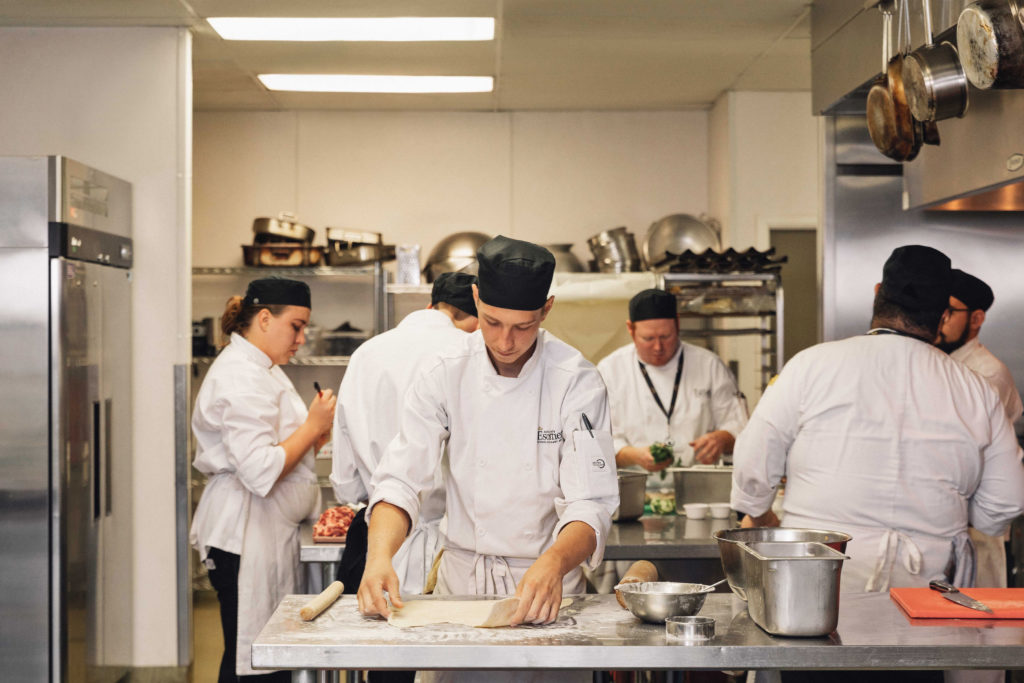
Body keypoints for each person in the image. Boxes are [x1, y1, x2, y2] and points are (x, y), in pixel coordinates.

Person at [731, 246, 1024, 683]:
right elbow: (1004, 503)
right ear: (943, 314)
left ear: (876, 295)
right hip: (927, 591)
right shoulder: (974, 390)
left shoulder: (812, 365)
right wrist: (962, 519)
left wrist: (760, 510)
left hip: (817, 586)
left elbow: (753, 469)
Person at [358, 236, 618, 681]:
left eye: (523, 326)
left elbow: (590, 504)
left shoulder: (576, 381)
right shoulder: (444, 371)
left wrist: (553, 563)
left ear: (547, 309)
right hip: (462, 591)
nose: (505, 341)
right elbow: (401, 479)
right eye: (492, 322)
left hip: (545, 589)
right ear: (475, 297)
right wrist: (379, 557)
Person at [189, 278, 336, 682]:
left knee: (259, 658)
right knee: (249, 662)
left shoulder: (261, 367)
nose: (302, 338)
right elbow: (258, 470)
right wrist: (312, 426)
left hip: (263, 529)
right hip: (244, 535)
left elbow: (274, 443)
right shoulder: (240, 374)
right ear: (266, 319)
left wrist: (311, 435)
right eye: (297, 326)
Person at [331, 271, 479, 599]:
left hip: (379, 548)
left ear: (431, 306)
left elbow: (346, 484)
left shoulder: (366, 354)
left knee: (379, 647)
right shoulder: (471, 353)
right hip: (458, 549)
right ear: (482, 316)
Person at [597, 288, 748, 476]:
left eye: (665, 337)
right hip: (634, 484)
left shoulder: (709, 365)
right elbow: (598, 439)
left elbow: (740, 427)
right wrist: (634, 456)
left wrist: (721, 439)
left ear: (677, 324)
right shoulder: (610, 370)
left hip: (697, 484)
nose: (658, 347)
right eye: (648, 338)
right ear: (631, 329)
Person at [937, 268, 1023, 424]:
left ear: (976, 319)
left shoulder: (987, 374)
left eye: (948, 312)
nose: (937, 320)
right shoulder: (933, 357)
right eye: (935, 309)